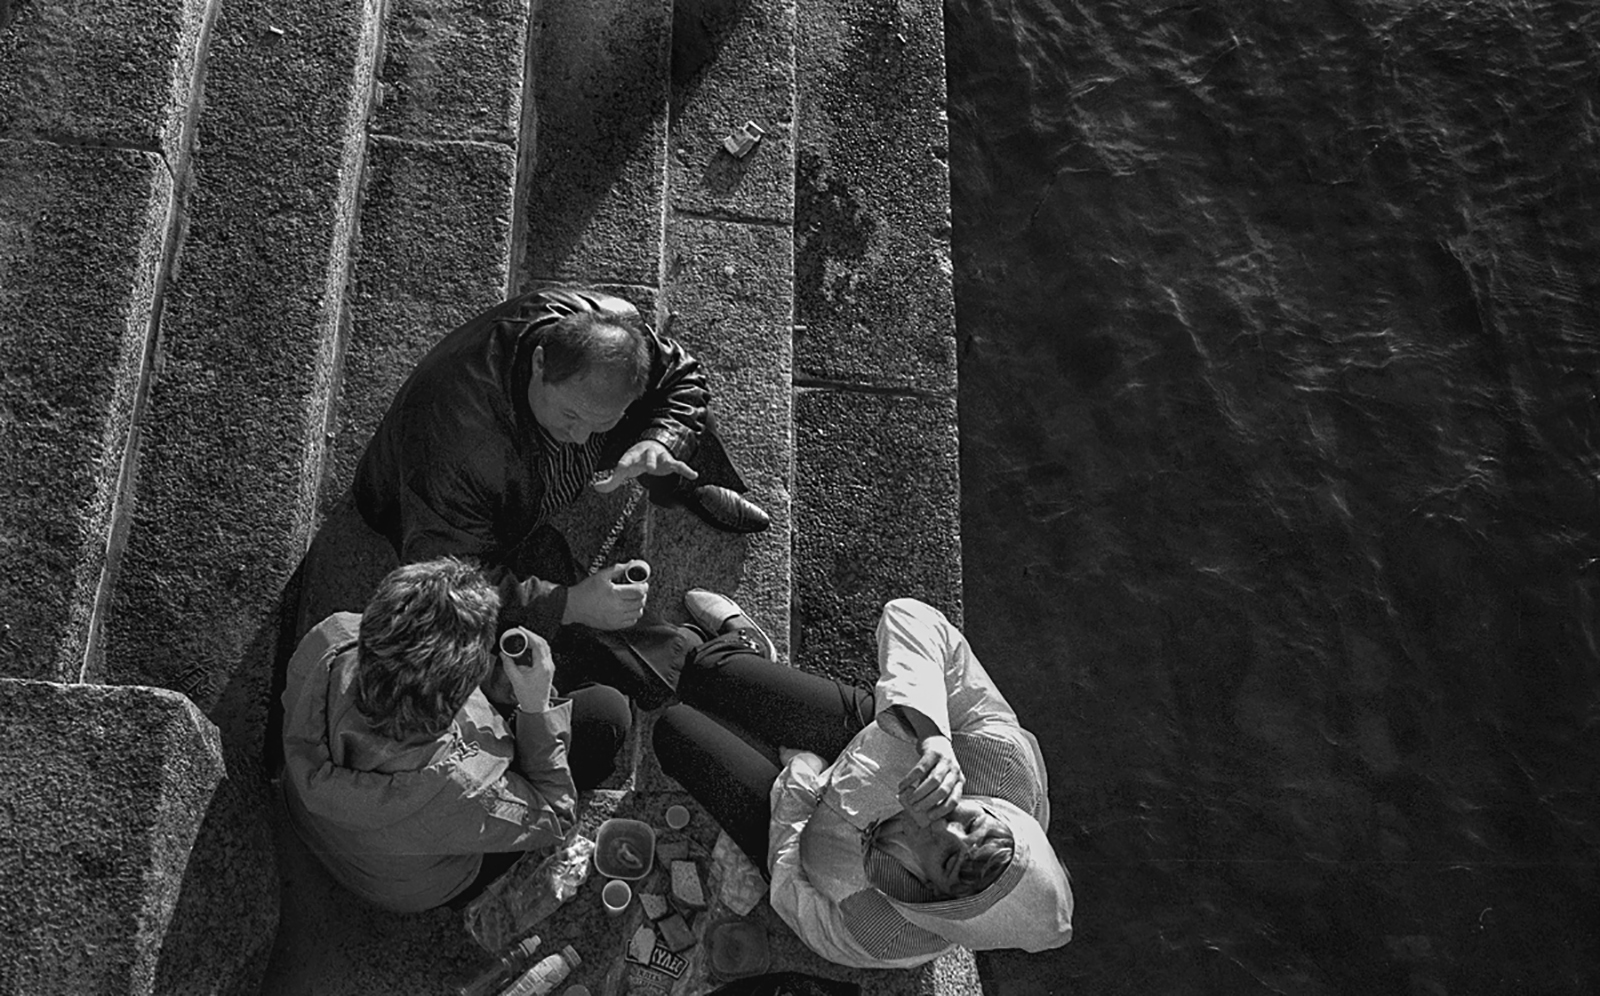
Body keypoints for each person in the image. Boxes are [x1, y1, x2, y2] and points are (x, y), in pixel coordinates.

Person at [652, 592, 1074, 969]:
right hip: (862, 736)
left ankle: (753, 711)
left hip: (797, 819)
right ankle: (748, 647)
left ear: (934, 893)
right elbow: (911, 616)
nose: (946, 827)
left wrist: (799, 780)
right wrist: (933, 735)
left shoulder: (888, 935)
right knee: (701, 671)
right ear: (997, 812)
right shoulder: (1002, 762)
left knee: (674, 731)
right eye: (973, 822)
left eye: (948, 859)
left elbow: (796, 898)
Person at [353, 287, 768, 644]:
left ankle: (680, 483)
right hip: (456, 511)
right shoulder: (457, 449)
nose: (581, 438)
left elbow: (679, 376)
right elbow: (446, 574)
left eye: (601, 423)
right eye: (571, 416)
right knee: (564, 618)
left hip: (518, 468)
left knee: (682, 426)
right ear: (539, 363)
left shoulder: (611, 325)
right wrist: (568, 604)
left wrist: (658, 441)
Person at [279, 557, 631, 913]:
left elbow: (403, 669)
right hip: (419, 886)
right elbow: (555, 816)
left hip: (323, 828)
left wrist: (487, 676)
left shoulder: (333, 634)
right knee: (606, 714)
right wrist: (536, 707)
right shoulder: (464, 787)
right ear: (460, 696)